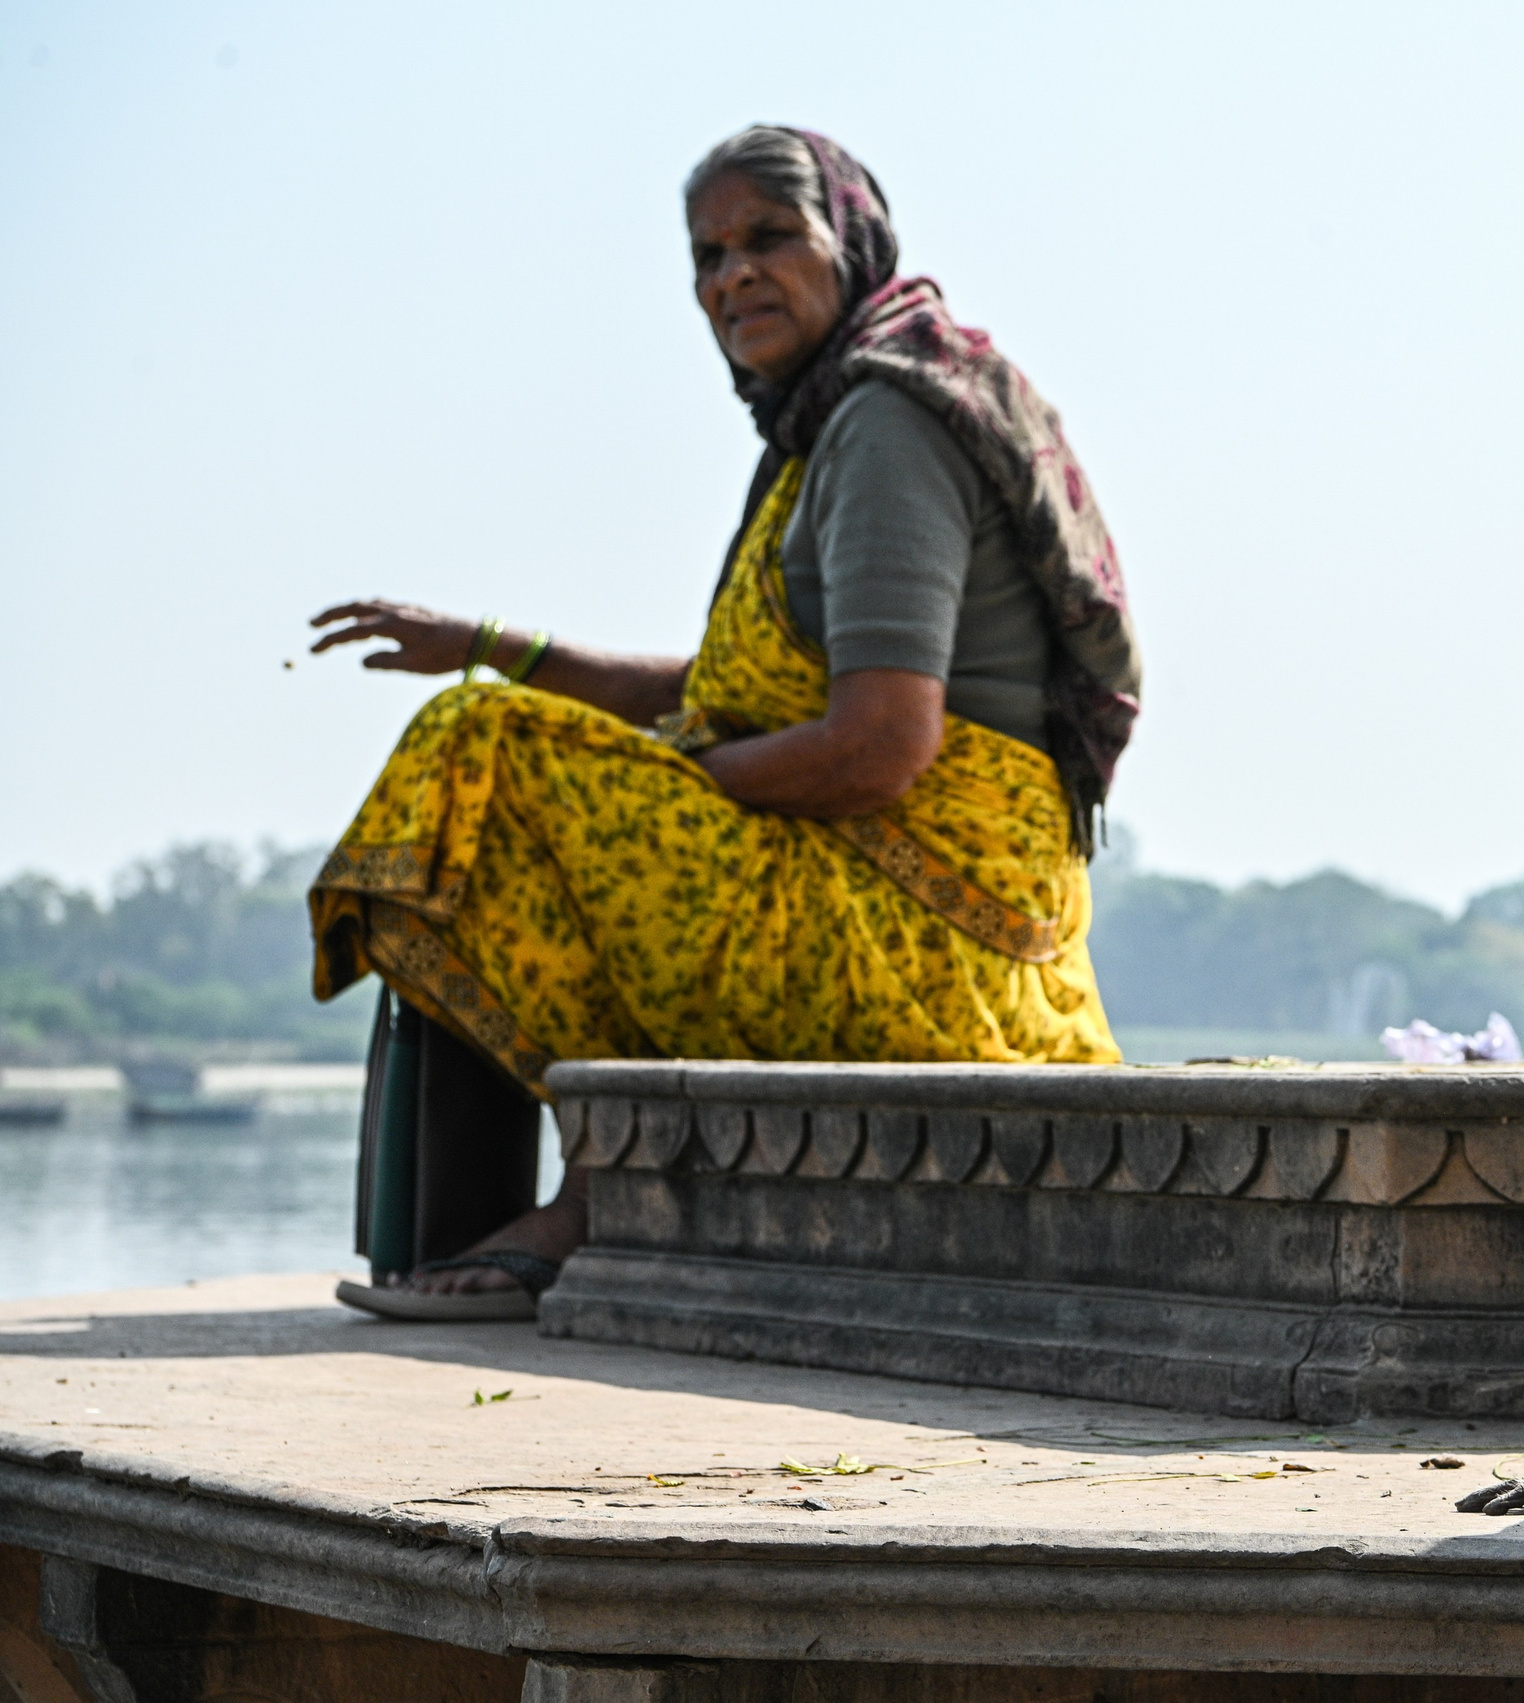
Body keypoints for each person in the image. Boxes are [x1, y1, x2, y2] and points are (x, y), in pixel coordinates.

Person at [310, 126, 1140, 1319]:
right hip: (935, 920)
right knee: (503, 720)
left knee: (475, 752)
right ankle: (595, 1181)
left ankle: (594, 1187)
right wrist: (494, 648)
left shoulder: (886, 422)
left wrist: (668, 780)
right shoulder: (828, 427)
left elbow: (879, 745)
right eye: (706, 255)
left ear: (848, 243)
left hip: (925, 932)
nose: (730, 276)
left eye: (767, 239)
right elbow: (728, 693)